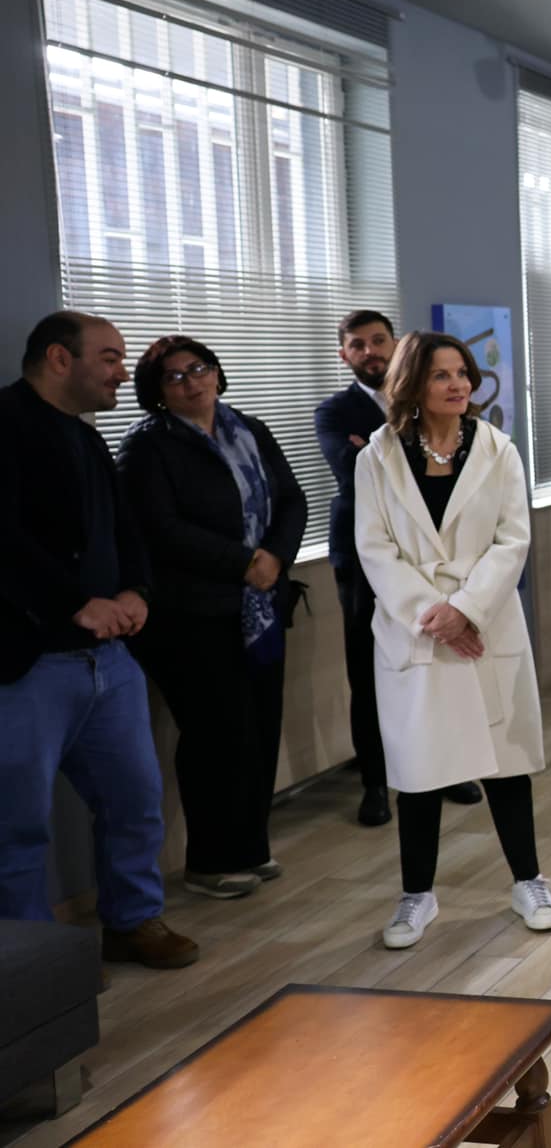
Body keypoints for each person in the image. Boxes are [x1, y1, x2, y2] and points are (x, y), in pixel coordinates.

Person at [0, 312, 196, 968]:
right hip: (27, 666)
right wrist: (74, 604)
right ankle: (35, 966)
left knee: (135, 801)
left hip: (109, 663)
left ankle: (133, 921)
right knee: (17, 826)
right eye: (109, 358)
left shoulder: (86, 436)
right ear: (60, 359)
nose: (122, 372)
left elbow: (123, 529)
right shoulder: (6, 424)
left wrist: (138, 590)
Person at [355, 331, 551, 949]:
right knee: (421, 767)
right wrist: (433, 613)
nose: (457, 384)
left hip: (484, 623)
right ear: (413, 383)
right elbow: (375, 547)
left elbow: (512, 539)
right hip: (417, 631)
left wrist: (466, 609)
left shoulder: (498, 449)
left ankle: (529, 880)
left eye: (463, 373)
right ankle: (416, 895)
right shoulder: (378, 456)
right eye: (441, 374)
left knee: (506, 762)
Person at [119, 337, 306, 899]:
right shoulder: (149, 446)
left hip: (258, 607)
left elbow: (291, 499)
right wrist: (244, 562)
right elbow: (160, 529)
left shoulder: (249, 428)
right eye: (174, 376)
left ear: (218, 373)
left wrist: (275, 557)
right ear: (157, 392)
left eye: (199, 368)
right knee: (217, 735)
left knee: (260, 728)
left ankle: (249, 847)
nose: (191, 381)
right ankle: (208, 861)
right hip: (190, 615)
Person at [317, 310, 485, 825]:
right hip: (366, 562)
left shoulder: (466, 429)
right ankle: (375, 780)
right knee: (370, 667)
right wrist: (379, 450)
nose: (369, 351)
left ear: (395, 347)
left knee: (442, 661)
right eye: (357, 344)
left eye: (378, 341)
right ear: (344, 355)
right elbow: (354, 471)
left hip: (435, 557)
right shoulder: (335, 411)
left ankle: (448, 767)